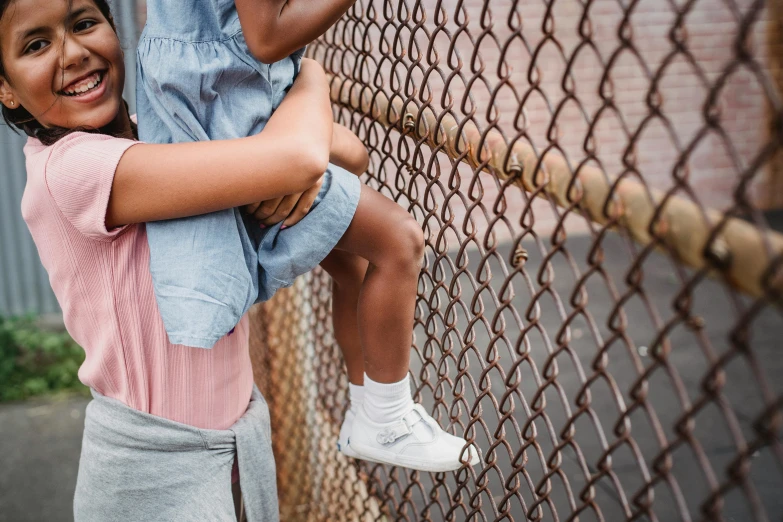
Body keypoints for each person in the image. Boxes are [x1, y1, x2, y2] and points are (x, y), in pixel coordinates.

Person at [136, 0, 480, 473]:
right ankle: (387, 417)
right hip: (224, 113)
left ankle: (372, 411)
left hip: (222, 96)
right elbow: (269, 37)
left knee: (352, 173)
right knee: (399, 241)